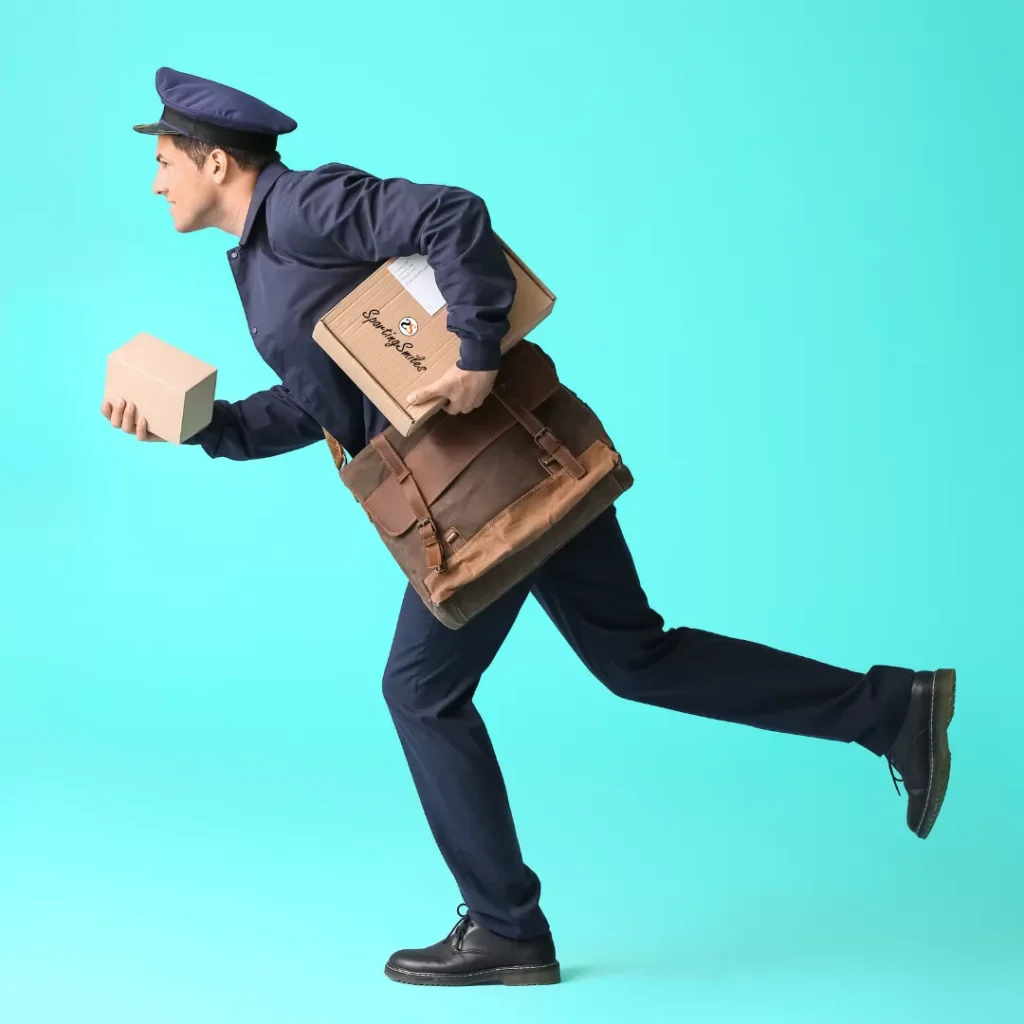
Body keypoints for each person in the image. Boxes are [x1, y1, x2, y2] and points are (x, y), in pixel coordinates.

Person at [103, 67, 957, 988]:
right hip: (509, 471)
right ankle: (890, 708)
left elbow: (452, 214)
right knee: (638, 657)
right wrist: (209, 428)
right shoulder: (265, 256)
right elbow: (333, 403)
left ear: (217, 161)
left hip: (490, 486)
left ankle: (508, 928)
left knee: (420, 691)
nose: (156, 181)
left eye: (162, 161)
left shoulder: (305, 208)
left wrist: (475, 353)